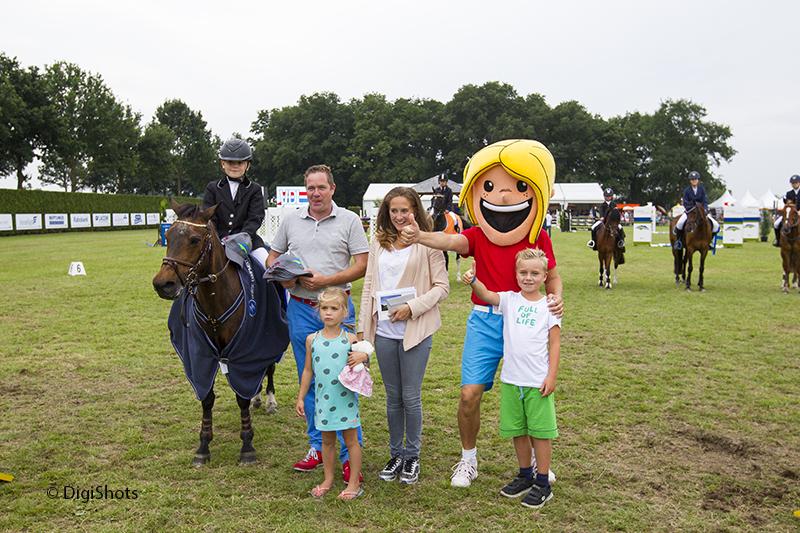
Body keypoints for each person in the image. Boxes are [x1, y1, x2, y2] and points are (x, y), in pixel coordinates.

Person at [400, 139, 563, 488]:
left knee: (531, 392)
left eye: (519, 186)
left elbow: (552, 274)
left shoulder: (538, 236)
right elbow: (452, 242)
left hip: (525, 323)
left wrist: (556, 299)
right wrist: (420, 237)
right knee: (469, 394)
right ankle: (468, 459)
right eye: (490, 186)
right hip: (486, 319)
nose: (503, 196)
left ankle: (536, 461)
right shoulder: (479, 234)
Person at [268, 164, 370, 481]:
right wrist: (284, 278)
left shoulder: (350, 220)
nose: (315, 193)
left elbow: (362, 265)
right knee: (311, 377)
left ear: (332, 189)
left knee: (344, 379)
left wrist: (329, 281)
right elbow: (273, 257)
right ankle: (316, 445)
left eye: (321, 187)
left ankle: (348, 453)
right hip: (300, 308)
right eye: (310, 188)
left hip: (339, 309)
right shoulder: (290, 220)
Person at [357, 187, 449, 485]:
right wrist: (362, 329)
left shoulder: (428, 243)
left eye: (404, 210)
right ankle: (396, 452)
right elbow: (369, 286)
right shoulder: (379, 242)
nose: (399, 216)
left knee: (411, 397)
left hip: (415, 331)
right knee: (393, 398)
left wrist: (412, 308)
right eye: (394, 211)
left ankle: (412, 456)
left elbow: (441, 287)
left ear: (415, 211)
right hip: (384, 332)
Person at [463, 248, 561, 509]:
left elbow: (555, 343)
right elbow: (486, 295)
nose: (528, 278)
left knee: (540, 433)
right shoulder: (509, 299)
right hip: (512, 380)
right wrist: (473, 279)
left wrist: (551, 376)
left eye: (534, 273)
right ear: (516, 275)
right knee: (517, 430)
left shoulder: (549, 306)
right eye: (523, 273)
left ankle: (543, 482)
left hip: (537, 382)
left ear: (544, 276)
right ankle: (525, 474)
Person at [295, 287, 366, 500]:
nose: (328, 312)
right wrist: (301, 396)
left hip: (345, 400)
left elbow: (364, 365)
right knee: (326, 441)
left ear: (344, 312)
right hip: (323, 401)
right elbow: (308, 370)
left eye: (334, 308)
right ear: (318, 311)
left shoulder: (350, 339)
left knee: (351, 441)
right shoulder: (312, 340)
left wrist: (363, 356)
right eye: (324, 308)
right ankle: (328, 479)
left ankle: (354, 482)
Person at [202, 138, 268, 267]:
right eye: (230, 162)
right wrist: (218, 239)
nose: (235, 166)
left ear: (248, 165)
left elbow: (255, 218)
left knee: (266, 265)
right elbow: (209, 217)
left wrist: (241, 239)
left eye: (240, 162)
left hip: (249, 242)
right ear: (222, 164)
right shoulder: (212, 188)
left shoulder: (254, 189)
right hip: (218, 241)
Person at [672, 170, 720, 250]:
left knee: (716, 225)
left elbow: (705, 200)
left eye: (695, 179)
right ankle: (679, 242)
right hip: (690, 212)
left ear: (698, 180)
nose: (694, 181)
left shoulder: (702, 189)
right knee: (679, 224)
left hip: (701, 212)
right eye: (692, 179)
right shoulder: (687, 191)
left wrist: (705, 209)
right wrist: (692, 209)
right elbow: (685, 202)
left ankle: (709, 242)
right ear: (690, 181)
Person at [773, 174, 800, 246]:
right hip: (790, 213)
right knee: (776, 224)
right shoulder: (788, 194)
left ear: (799, 183)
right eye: (793, 183)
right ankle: (777, 240)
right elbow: (787, 205)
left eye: (796, 182)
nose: (794, 184)